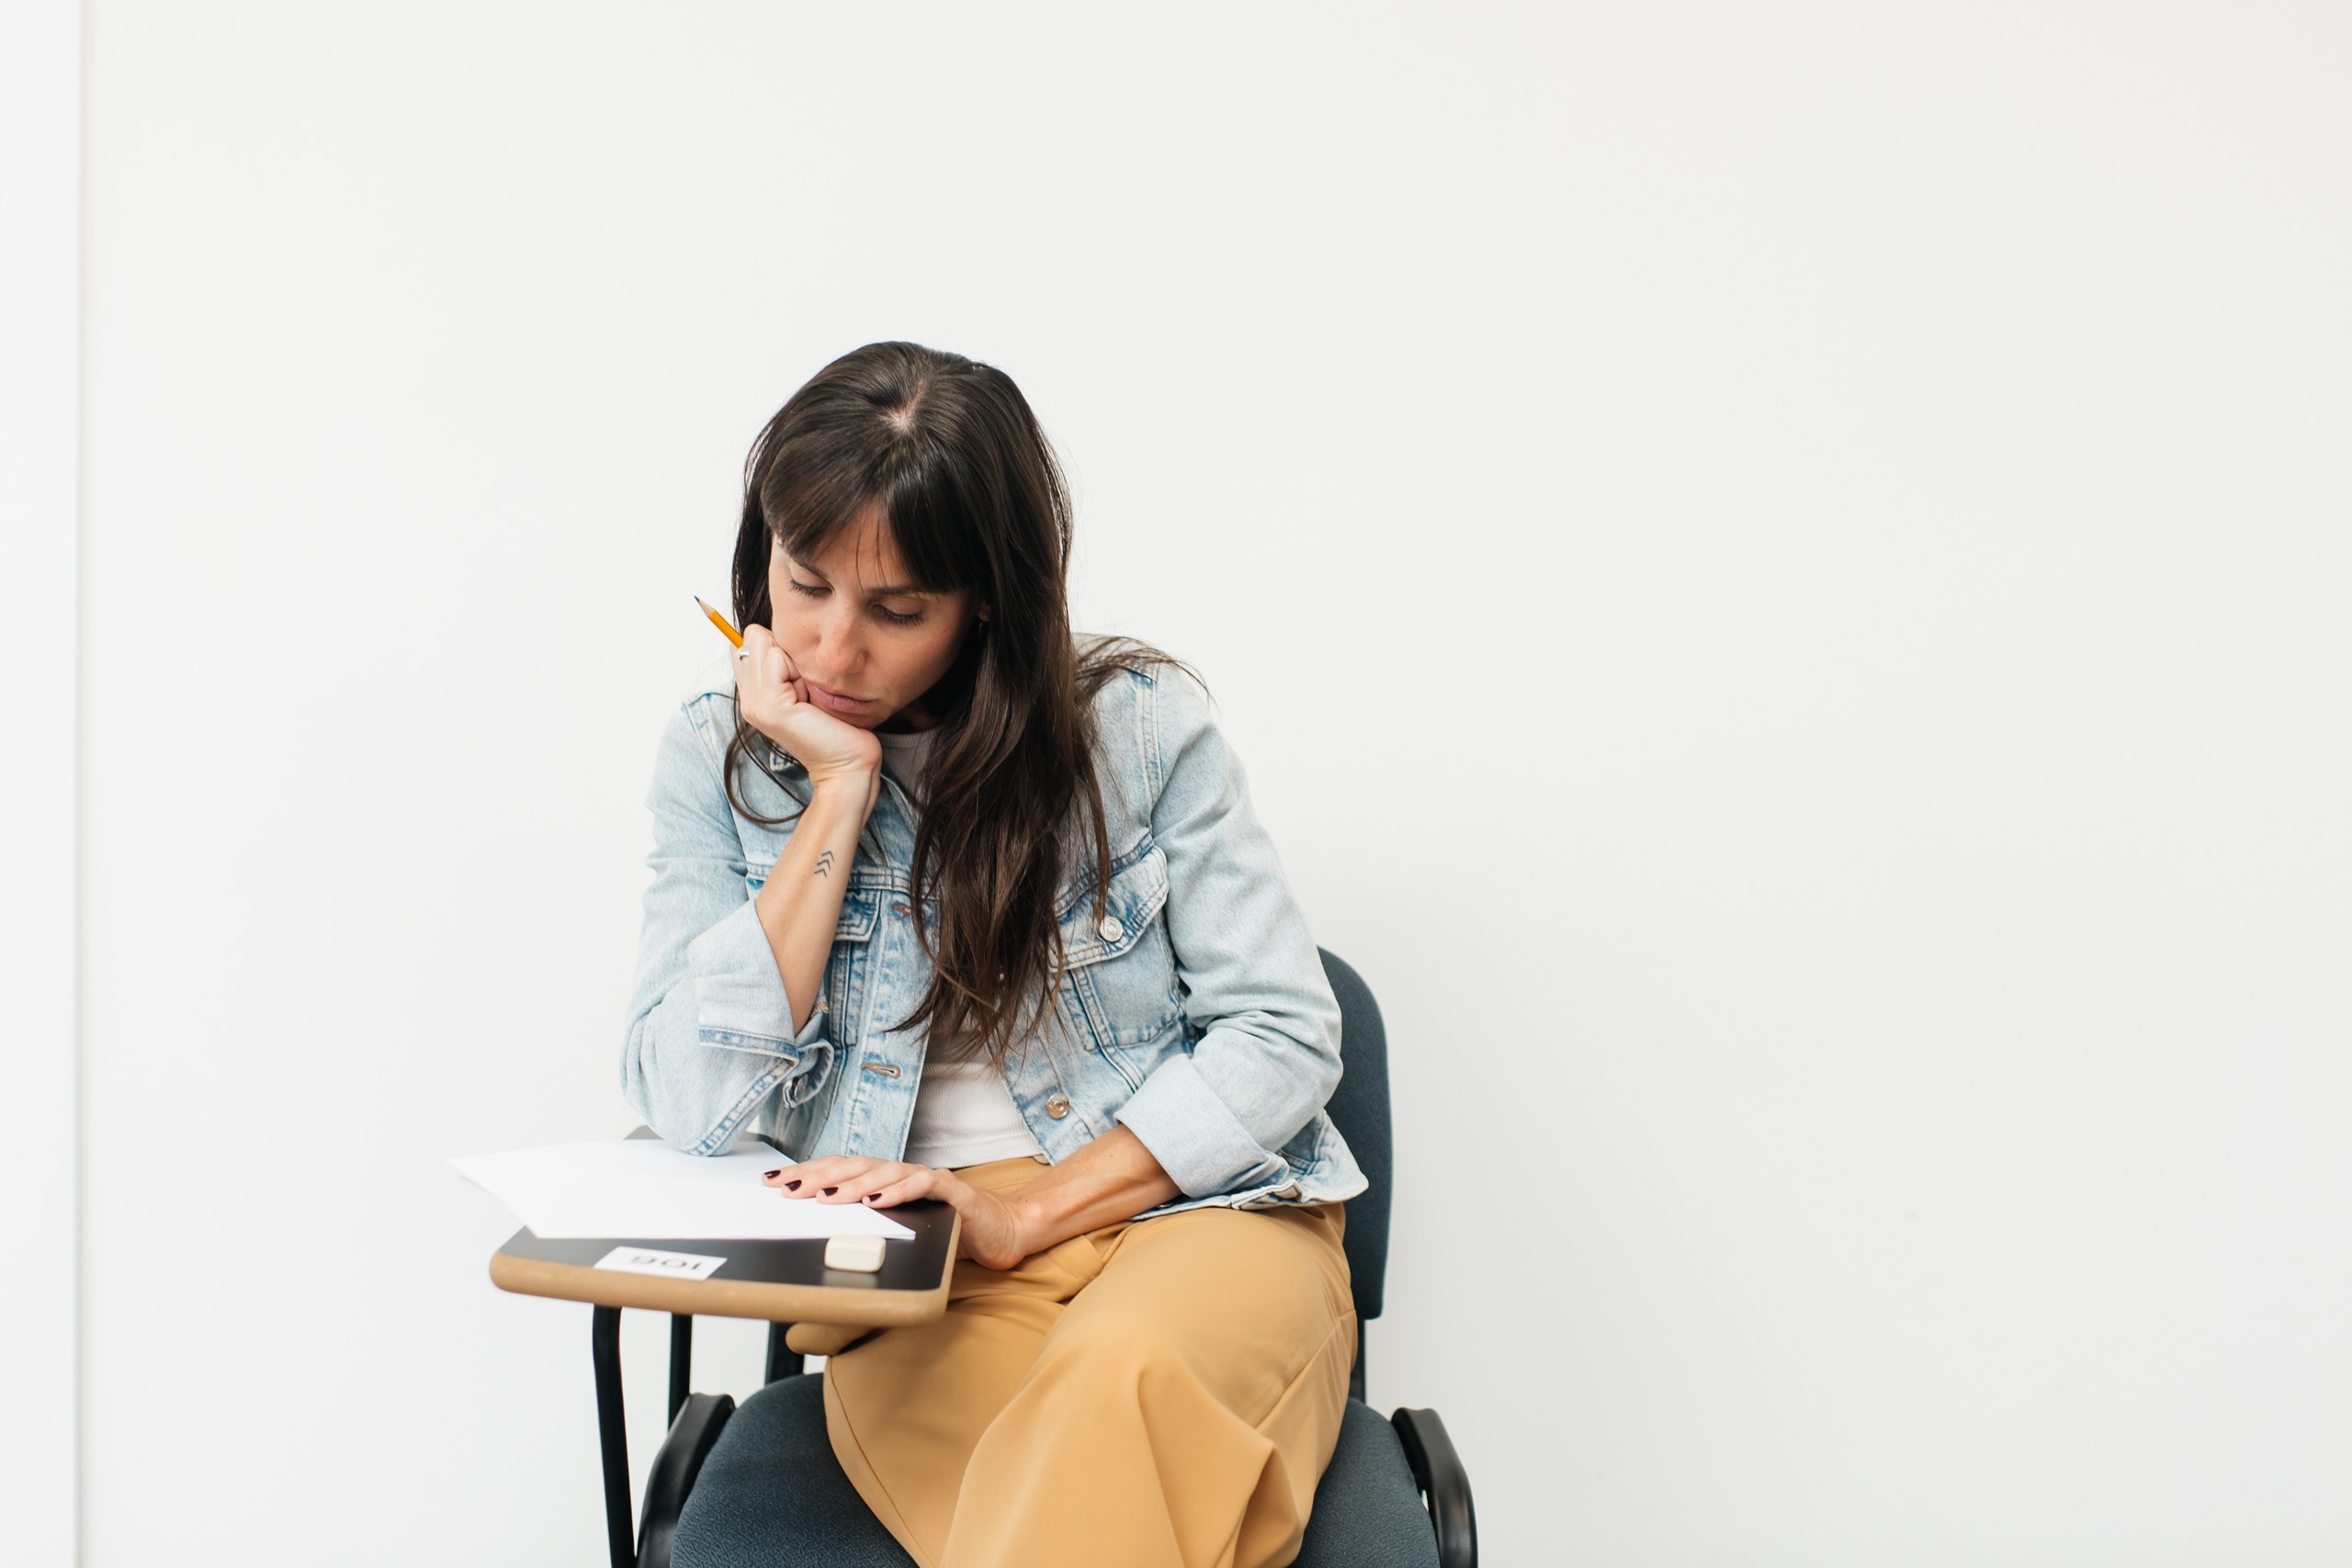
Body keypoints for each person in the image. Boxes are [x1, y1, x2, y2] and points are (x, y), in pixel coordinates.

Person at [621, 341, 1365, 1568]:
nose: (832, 649)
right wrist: (837, 796)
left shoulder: (1137, 728)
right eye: (804, 584)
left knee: (1117, 1381)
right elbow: (690, 1103)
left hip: (1197, 1214)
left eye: (897, 610)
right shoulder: (719, 756)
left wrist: (1030, 1217)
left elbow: (1282, 1034)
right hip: (925, 1275)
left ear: (986, 606)